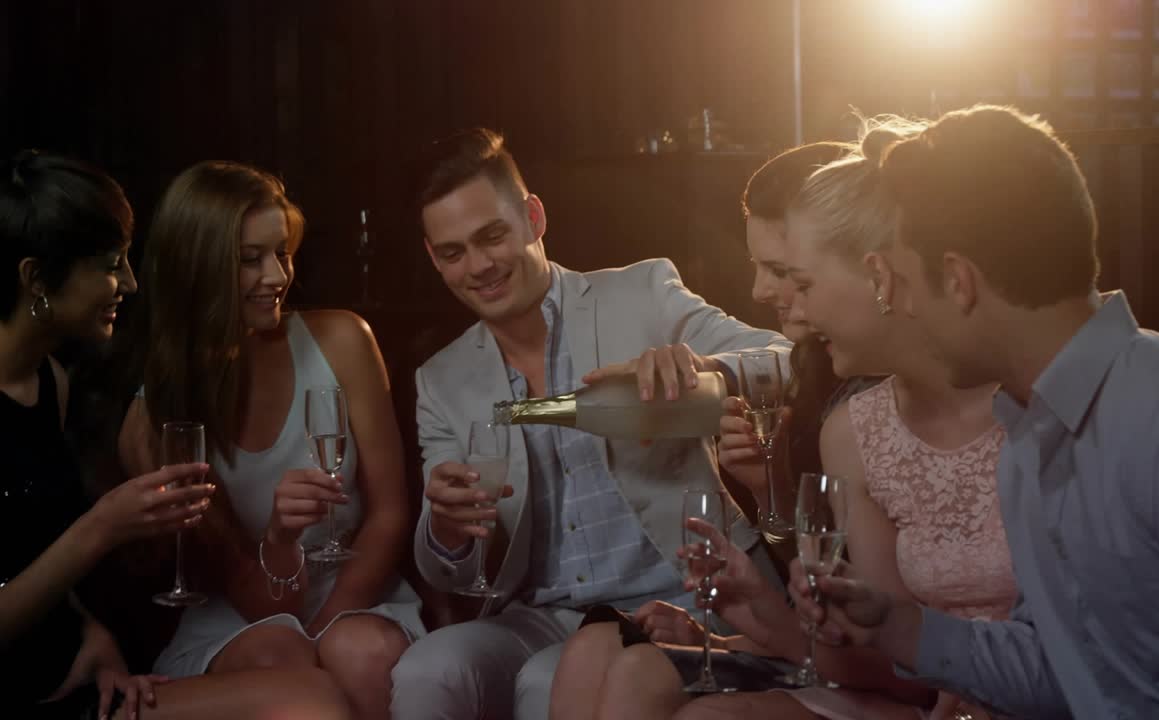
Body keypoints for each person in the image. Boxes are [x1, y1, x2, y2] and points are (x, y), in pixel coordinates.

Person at [807, 104, 1159, 718]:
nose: (898, 308)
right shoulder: (1030, 433)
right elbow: (1064, 669)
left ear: (957, 281)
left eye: (899, 282)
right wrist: (895, 626)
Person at [549, 123, 1019, 720]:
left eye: (794, 276)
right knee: (602, 649)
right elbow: (875, 637)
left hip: (986, 692)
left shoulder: (1028, 404)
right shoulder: (849, 418)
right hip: (893, 680)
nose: (767, 291)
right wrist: (754, 600)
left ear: (878, 273)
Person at [390, 128, 790, 720]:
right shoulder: (440, 380)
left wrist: (705, 368)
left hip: (684, 596)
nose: (478, 267)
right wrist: (446, 528)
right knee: (426, 668)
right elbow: (448, 570)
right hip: (537, 616)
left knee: (545, 682)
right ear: (433, 257)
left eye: (492, 236)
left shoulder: (642, 294)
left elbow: (785, 358)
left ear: (533, 217)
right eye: (453, 253)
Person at [0, 149, 352, 719]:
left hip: (86, 678)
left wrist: (92, 635)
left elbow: (25, 552)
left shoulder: (51, 382)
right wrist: (102, 528)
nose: (131, 283)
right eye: (111, 265)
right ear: (36, 278)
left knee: (313, 695)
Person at [116, 160, 425, 720]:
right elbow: (260, 599)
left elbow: (390, 512)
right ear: (197, 268)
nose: (278, 276)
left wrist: (328, 624)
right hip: (243, 608)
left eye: (281, 252)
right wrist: (281, 534)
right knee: (277, 657)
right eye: (249, 260)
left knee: (362, 651)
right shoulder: (157, 420)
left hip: (357, 583)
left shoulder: (343, 340)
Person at [716, 141, 883, 536]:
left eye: (779, 269)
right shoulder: (817, 367)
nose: (758, 291)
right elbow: (820, 574)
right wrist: (769, 483)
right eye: (757, 266)